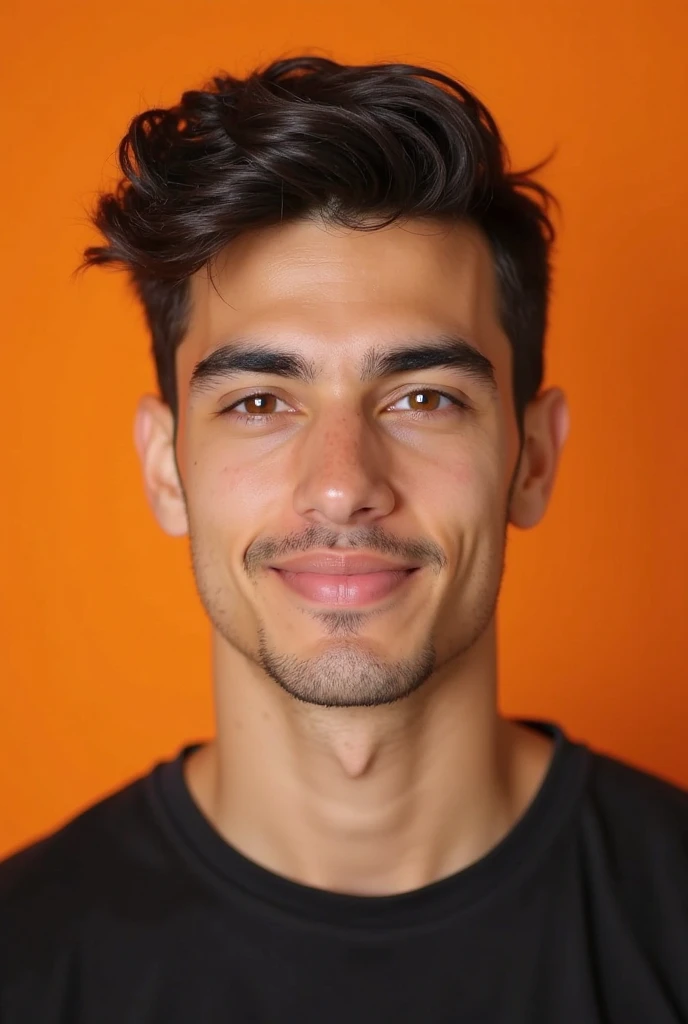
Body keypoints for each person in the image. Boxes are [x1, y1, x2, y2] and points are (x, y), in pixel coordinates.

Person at [1, 54, 686, 1024]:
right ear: (166, 468)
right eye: (259, 401)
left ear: (530, 459)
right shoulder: (22, 963)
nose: (342, 482)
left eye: (421, 397)